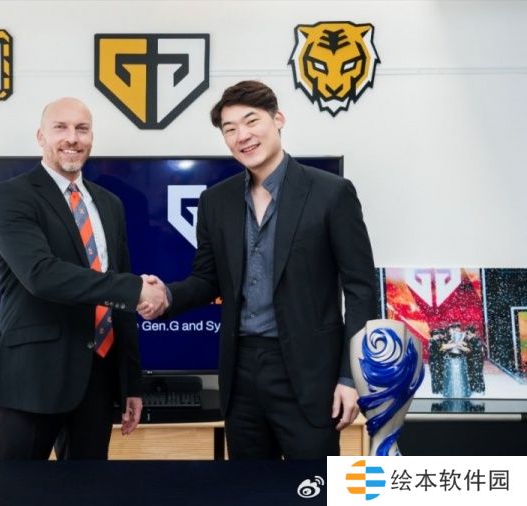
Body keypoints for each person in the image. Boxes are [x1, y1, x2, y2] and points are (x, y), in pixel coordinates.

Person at [139, 80, 377, 459]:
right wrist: (166, 296)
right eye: (230, 129)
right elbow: (207, 280)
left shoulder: (332, 193)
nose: (242, 136)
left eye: (251, 122)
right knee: (248, 485)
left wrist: (351, 377)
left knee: (312, 484)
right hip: (241, 372)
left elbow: (361, 289)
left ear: (277, 119)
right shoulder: (216, 201)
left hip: (309, 374)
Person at [0, 97, 167, 460]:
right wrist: (135, 289)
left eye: (82, 129)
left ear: (91, 137)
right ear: (41, 137)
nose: (72, 138)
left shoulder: (110, 203)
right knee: (13, 487)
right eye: (61, 128)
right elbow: (41, 275)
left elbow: (119, 296)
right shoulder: (12, 196)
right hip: (31, 378)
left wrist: (130, 382)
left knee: (87, 486)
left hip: (97, 378)